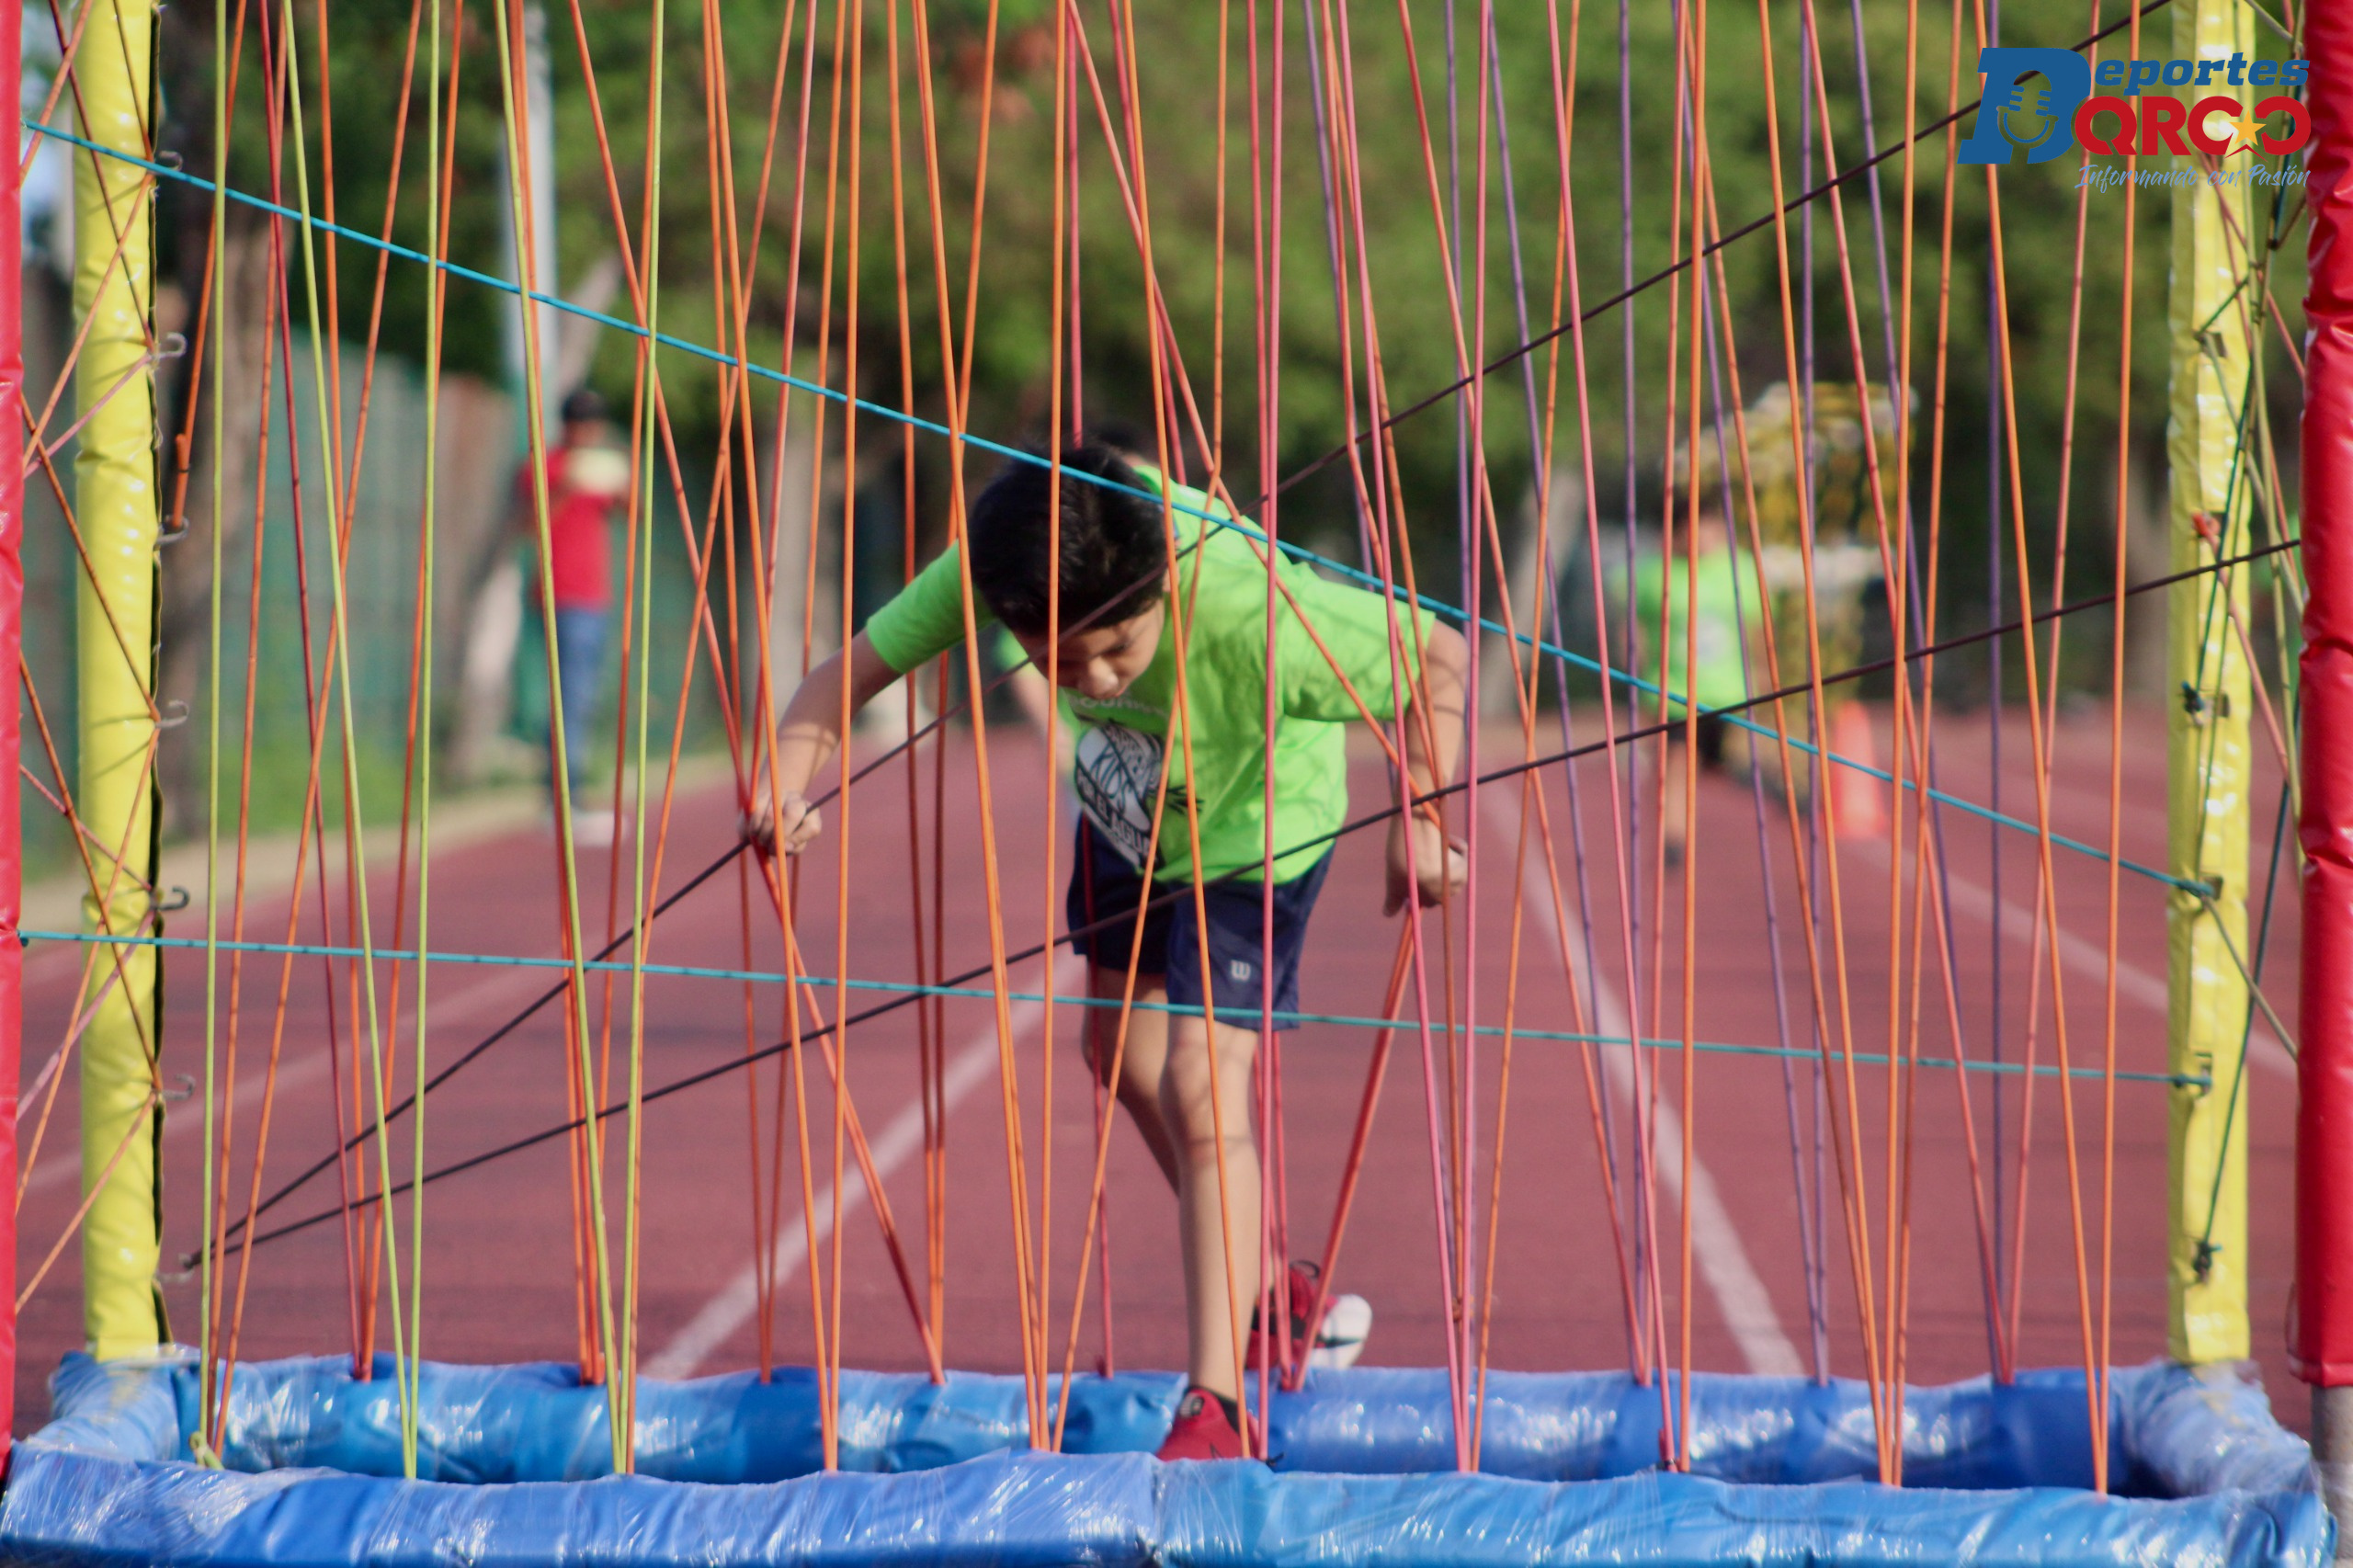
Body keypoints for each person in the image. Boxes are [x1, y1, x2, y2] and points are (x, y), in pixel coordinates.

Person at [749, 442, 1469, 1460]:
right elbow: (840, 675)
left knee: (1201, 1079)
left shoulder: (1243, 610)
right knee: (1117, 1058)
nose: (1085, 676)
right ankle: (1265, 1286)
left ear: (1158, 584)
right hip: (1131, 806)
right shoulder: (1009, 556)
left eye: (1111, 651)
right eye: (1054, 660)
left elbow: (1438, 654)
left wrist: (1422, 814)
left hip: (1258, 825)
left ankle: (1214, 1403)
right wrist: (781, 787)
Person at [517, 387, 631, 845]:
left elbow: (633, 512)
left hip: (594, 594)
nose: (589, 431)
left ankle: (567, 793)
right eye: (583, 423)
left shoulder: (603, 467)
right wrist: (567, 486)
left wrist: (621, 484)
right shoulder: (545, 467)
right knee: (572, 696)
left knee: (579, 696)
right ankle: (564, 796)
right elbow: (529, 524)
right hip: (559, 592)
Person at [1631, 494, 1755, 865]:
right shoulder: (1656, 574)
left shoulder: (1740, 570)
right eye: (1692, 527)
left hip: (1728, 693)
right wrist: (1638, 684)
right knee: (1676, 763)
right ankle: (1673, 841)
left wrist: (1763, 679)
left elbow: (1757, 630)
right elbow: (1635, 632)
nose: (1701, 536)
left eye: (1709, 526)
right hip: (1674, 692)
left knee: (1724, 765)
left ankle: (1770, 787)